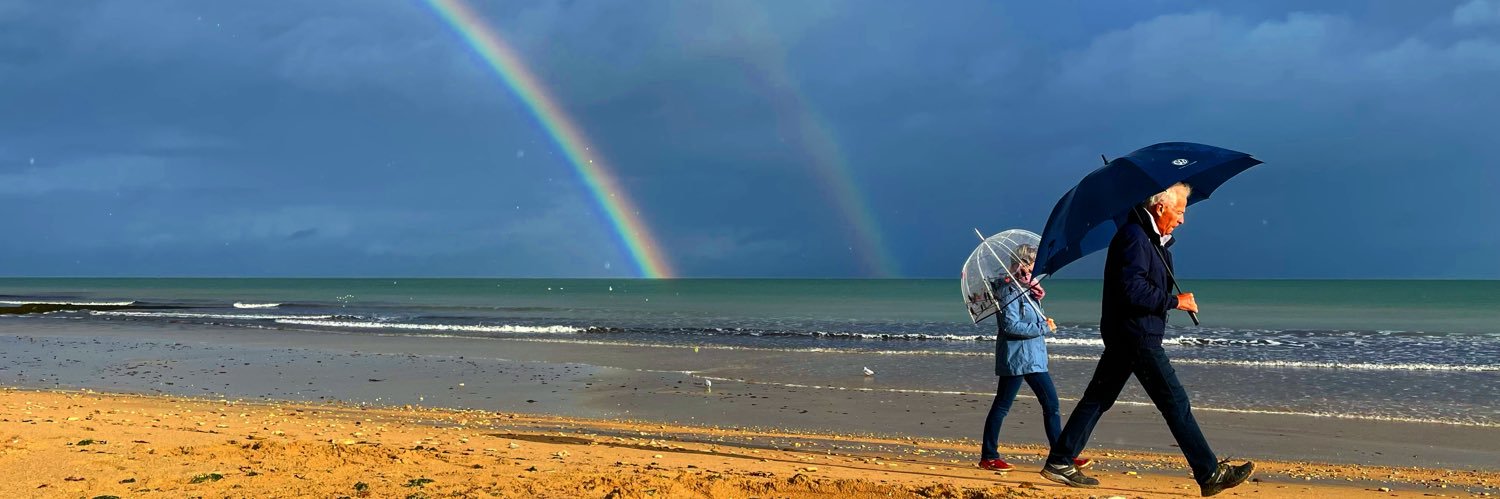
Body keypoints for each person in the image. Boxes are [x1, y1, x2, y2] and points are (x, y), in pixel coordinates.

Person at [1038, 183, 1254, 496]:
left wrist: (1163, 245)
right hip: (1137, 336)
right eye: (1180, 211)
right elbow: (1131, 290)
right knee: (1175, 402)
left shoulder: (1148, 239)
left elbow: (1141, 282)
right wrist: (1175, 302)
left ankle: (1060, 461)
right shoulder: (1133, 237)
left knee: (1099, 398)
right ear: (1160, 207)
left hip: (1129, 334)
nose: (1182, 219)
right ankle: (1209, 473)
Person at [977, 244, 1091, 472]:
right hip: (1017, 357)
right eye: (1031, 263)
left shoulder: (1027, 288)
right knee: (1004, 406)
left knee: (1050, 404)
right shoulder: (1008, 290)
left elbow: (1025, 318)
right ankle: (989, 456)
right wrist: (1043, 326)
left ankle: (1061, 455)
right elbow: (1010, 326)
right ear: (1022, 263)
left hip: (1032, 356)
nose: (1034, 268)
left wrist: (1039, 314)